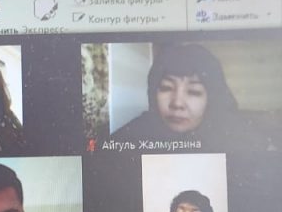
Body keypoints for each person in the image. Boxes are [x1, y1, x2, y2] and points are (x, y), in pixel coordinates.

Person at [111, 44, 266, 147]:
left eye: (193, 92)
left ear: (212, 98)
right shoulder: (130, 137)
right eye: (166, 88)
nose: (177, 103)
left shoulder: (242, 140)